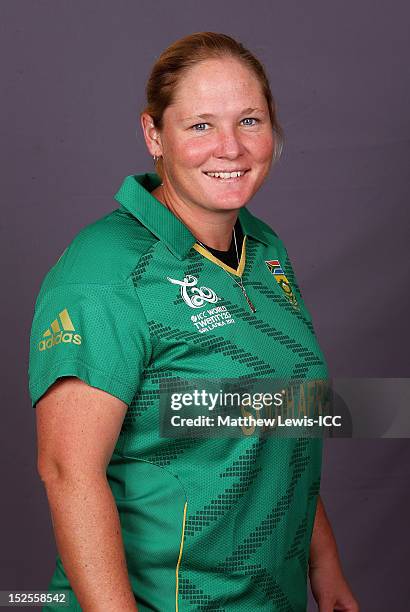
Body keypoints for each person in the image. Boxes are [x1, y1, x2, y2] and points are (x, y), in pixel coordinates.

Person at [29, 32, 359, 612]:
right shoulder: (106, 272)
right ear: (155, 135)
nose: (230, 147)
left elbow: (282, 421)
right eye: (201, 125)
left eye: (250, 120)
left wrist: (325, 569)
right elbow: (67, 471)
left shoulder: (264, 248)